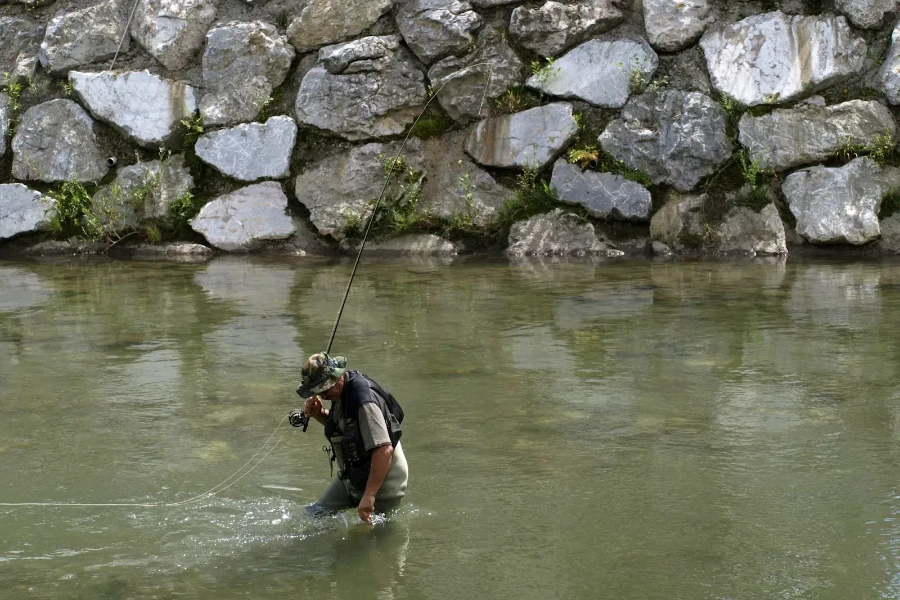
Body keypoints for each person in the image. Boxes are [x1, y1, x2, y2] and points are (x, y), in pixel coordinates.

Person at [292, 353, 408, 522]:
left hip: (384, 481)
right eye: (318, 391)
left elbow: (384, 450)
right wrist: (318, 414)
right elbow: (347, 430)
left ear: (337, 376)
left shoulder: (363, 402)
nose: (322, 396)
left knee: (376, 536)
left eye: (324, 389)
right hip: (355, 474)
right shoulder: (340, 392)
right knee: (314, 515)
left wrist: (369, 496)